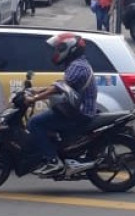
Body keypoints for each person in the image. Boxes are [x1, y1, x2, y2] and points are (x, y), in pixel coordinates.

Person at [27, 33, 98, 176]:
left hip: (79, 113)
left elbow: (58, 88)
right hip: (75, 110)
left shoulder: (78, 66)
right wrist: (37, 90)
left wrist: (34, 99)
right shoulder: (77, 64)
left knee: (35, 123)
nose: (56, 52)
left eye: (59, 49)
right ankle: (59, 153)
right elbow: (62, 86)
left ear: (70, 49)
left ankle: (53, 160)